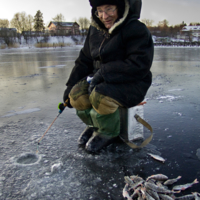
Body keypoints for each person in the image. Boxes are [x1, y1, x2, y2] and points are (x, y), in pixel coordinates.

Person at [60, 0, 154, 152]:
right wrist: (71, 85)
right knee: (76, 95)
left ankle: (108, 132)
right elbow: (84, 59)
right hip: (100, 78)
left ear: (121, 7)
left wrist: (104, 72)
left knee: (100, 96)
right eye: (100, 10)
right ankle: (94, 125)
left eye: (109, 9)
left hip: (132, 82)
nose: (104, 16)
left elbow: (139, 65)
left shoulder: (136, 29)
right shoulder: (94, 30)